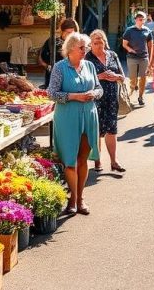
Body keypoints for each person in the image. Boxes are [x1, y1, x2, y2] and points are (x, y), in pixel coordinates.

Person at [46, 33, 102, 215]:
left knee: (83, 158)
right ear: (70, 49)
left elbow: (99, 88)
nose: (84, 50)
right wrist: (74, 96)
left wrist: (94, 93)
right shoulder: (60, 68)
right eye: (81, 48)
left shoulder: (90, 66)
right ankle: (72, 199)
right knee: (70, 159)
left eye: (85, 47)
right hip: (67, 116)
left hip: (88, 114)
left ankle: (80, 198)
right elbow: (52, 93)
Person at [86, 30, 126, 173]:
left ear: (105, 42)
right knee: (97, 130)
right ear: (90, 44)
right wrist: (100, 76)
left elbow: (122, 76)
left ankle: (114, 161)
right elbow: (84, 80)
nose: (98, 45)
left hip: (112, 99)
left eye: (100, 41)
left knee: (112, 130)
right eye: (95, 42)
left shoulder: (112, 55)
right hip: (96, 99)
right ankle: (97, 161)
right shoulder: (87, 58)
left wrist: (116, 76)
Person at [122, 12, 153, 106]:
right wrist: (130, 50)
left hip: (144, 57)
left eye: (142, 18)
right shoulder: (129, 30)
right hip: (132, 58)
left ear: (144, 20)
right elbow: (124, 44)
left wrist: (151, 61)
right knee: (133, 79)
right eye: (139, 18)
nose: (141, 20)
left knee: (143, 78)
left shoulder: (147, 30)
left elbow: (150, 46)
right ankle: (130, 93)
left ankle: (140, 97)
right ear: (135, 20)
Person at [40, 18, 78, 87]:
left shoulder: (79, 43)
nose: (70, 35)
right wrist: (49, 67)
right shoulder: (53, 41)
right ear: (62, 31)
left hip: (73, 78)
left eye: (72, 33)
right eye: (68, 32)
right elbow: (42, 58)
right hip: (54, 77)